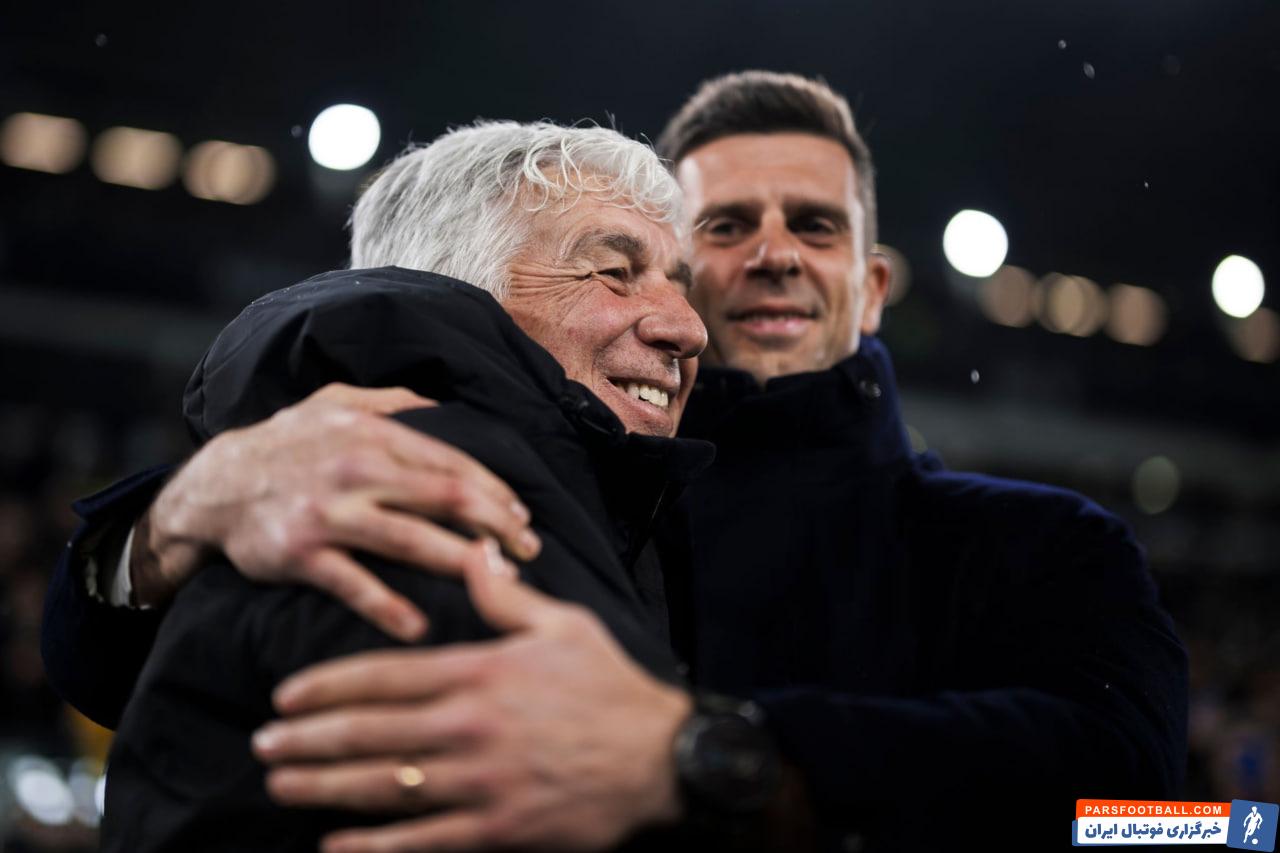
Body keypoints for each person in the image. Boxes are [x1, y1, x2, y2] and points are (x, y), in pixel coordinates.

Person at [43, 72, 1188, 852]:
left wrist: (724, 755)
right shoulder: (497, 483)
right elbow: (113, 673)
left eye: (815, 225)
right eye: (722, 229)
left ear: (874, 286)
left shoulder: (1047, 544)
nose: (772, 254)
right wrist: (170, 521)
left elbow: (1188, 828)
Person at [82, 119, 743, 851]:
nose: (689, 328)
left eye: (678, 284)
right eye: (614, 271)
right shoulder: (400, 506)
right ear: (457, 289)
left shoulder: (628, 515)